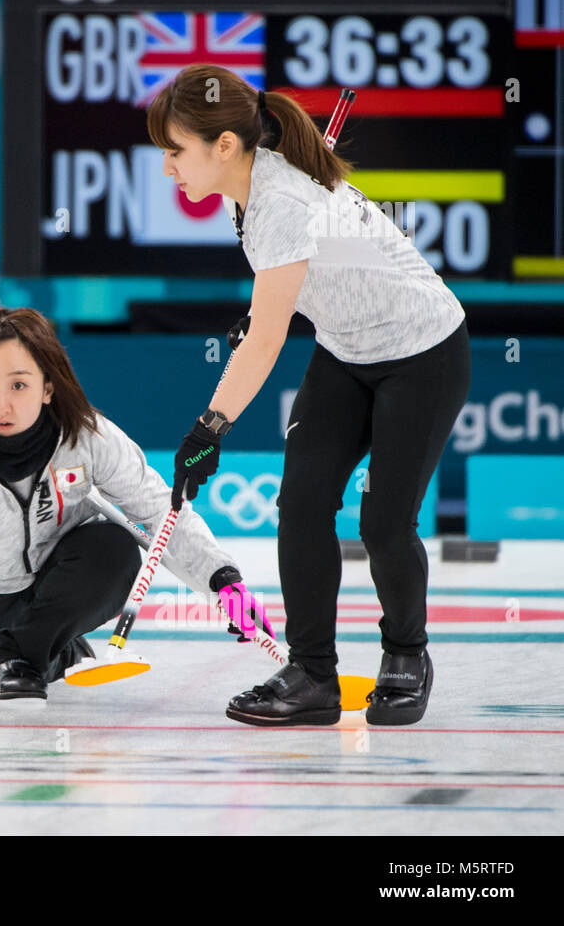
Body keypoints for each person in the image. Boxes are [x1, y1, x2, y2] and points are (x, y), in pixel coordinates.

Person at [149, 63, 470, 727]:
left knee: (384, 523)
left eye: (175, 151)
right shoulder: (252, 187)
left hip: (423, 353)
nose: (167, 168)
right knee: (300, 504)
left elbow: (264, 343)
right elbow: (293, 281)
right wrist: (277, 298)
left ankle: (407, 655)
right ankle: (313, 674)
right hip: (346, 350)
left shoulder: (281, 200)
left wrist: (208, 429)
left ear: (226, 145)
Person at [0, 307, 271, 700]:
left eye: (19, 386)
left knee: (114, 548)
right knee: (22, 656)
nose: (1, 405)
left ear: (47, 387)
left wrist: (221, 580)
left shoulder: (87, 436)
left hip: (67, 579)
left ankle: (24, 651)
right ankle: (49, 652)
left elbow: (159, 511)